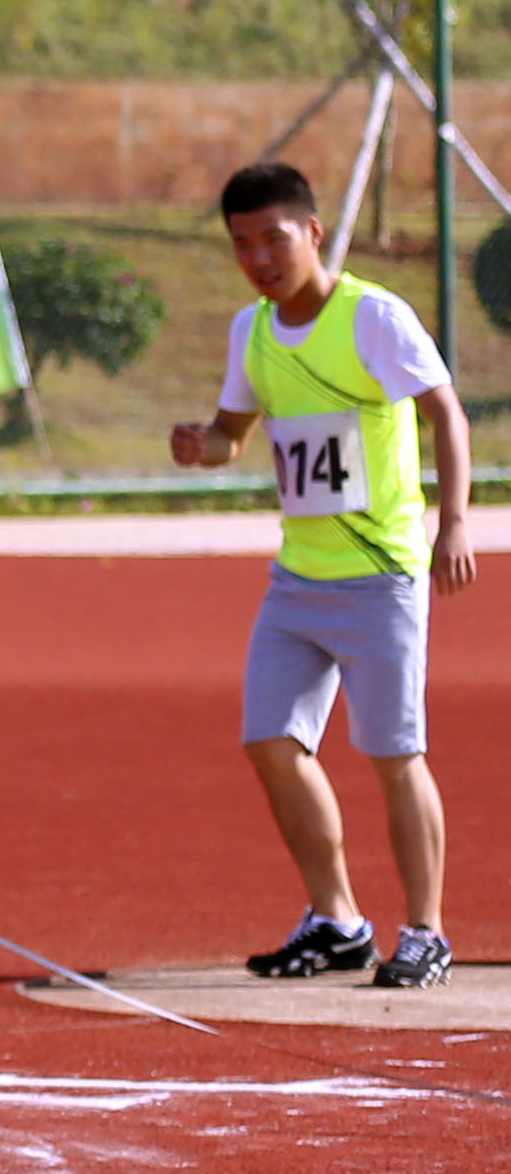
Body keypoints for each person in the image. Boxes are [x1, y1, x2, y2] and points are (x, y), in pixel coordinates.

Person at [169, 158, 469, 989]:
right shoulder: (252, 333)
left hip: (381, 577)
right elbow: (235, 431)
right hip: (299, 580)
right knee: (270, 741)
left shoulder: (373, 317)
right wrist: (205, 446)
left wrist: (451, 524)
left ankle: (427, 931)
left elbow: (443, 410)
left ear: (313, 233)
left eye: (275, 238)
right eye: (242, 244)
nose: (261, 257)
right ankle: (337, 920)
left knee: (393, 752)